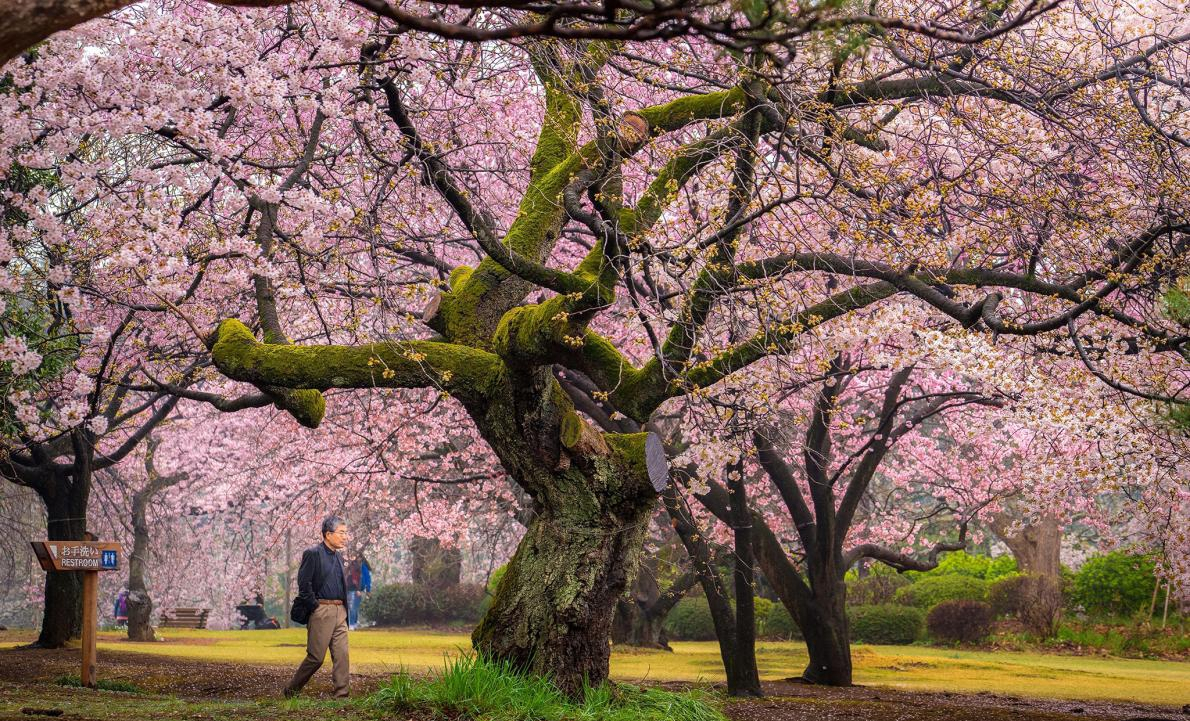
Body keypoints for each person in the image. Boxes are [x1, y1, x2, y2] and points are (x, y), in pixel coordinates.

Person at [284, 516, 351, 699]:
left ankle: (341, 696)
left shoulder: (338, 556)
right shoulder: (312, 553)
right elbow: (304, 585)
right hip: (322, 610)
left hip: (340, 611)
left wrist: (344, 609)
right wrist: (315, 606)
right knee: (316, 658)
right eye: (342, 533)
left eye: (346, 533)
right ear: (328, 534)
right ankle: (291, 690)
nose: (345, 537)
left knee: (342, 655)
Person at [346, 554, 372, 629]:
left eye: (359, 557)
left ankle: (352, 624)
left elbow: (366, 579)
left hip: (356, 590)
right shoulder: (351, 565)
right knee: (352, 607)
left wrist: (365, 589)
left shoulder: (362, 567)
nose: (357, 558)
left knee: (353, 607)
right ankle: (353, 623)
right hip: (350, 589)